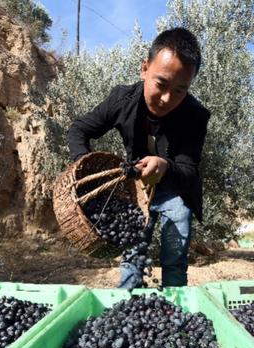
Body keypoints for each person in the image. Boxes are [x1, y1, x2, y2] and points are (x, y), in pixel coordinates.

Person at [67, 27, 210, 289]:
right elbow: (79, 130)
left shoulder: (195, 116)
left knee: (174, 259)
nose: (167, 98)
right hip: (134, 191)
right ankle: (127, 305)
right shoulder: (122, 99)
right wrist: (84, 168)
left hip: (175, 191)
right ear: (144, 68)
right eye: (161, 84)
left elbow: (189, 171)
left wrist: (165, 167)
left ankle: (173, 311)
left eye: (180, 90)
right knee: (132, 257)